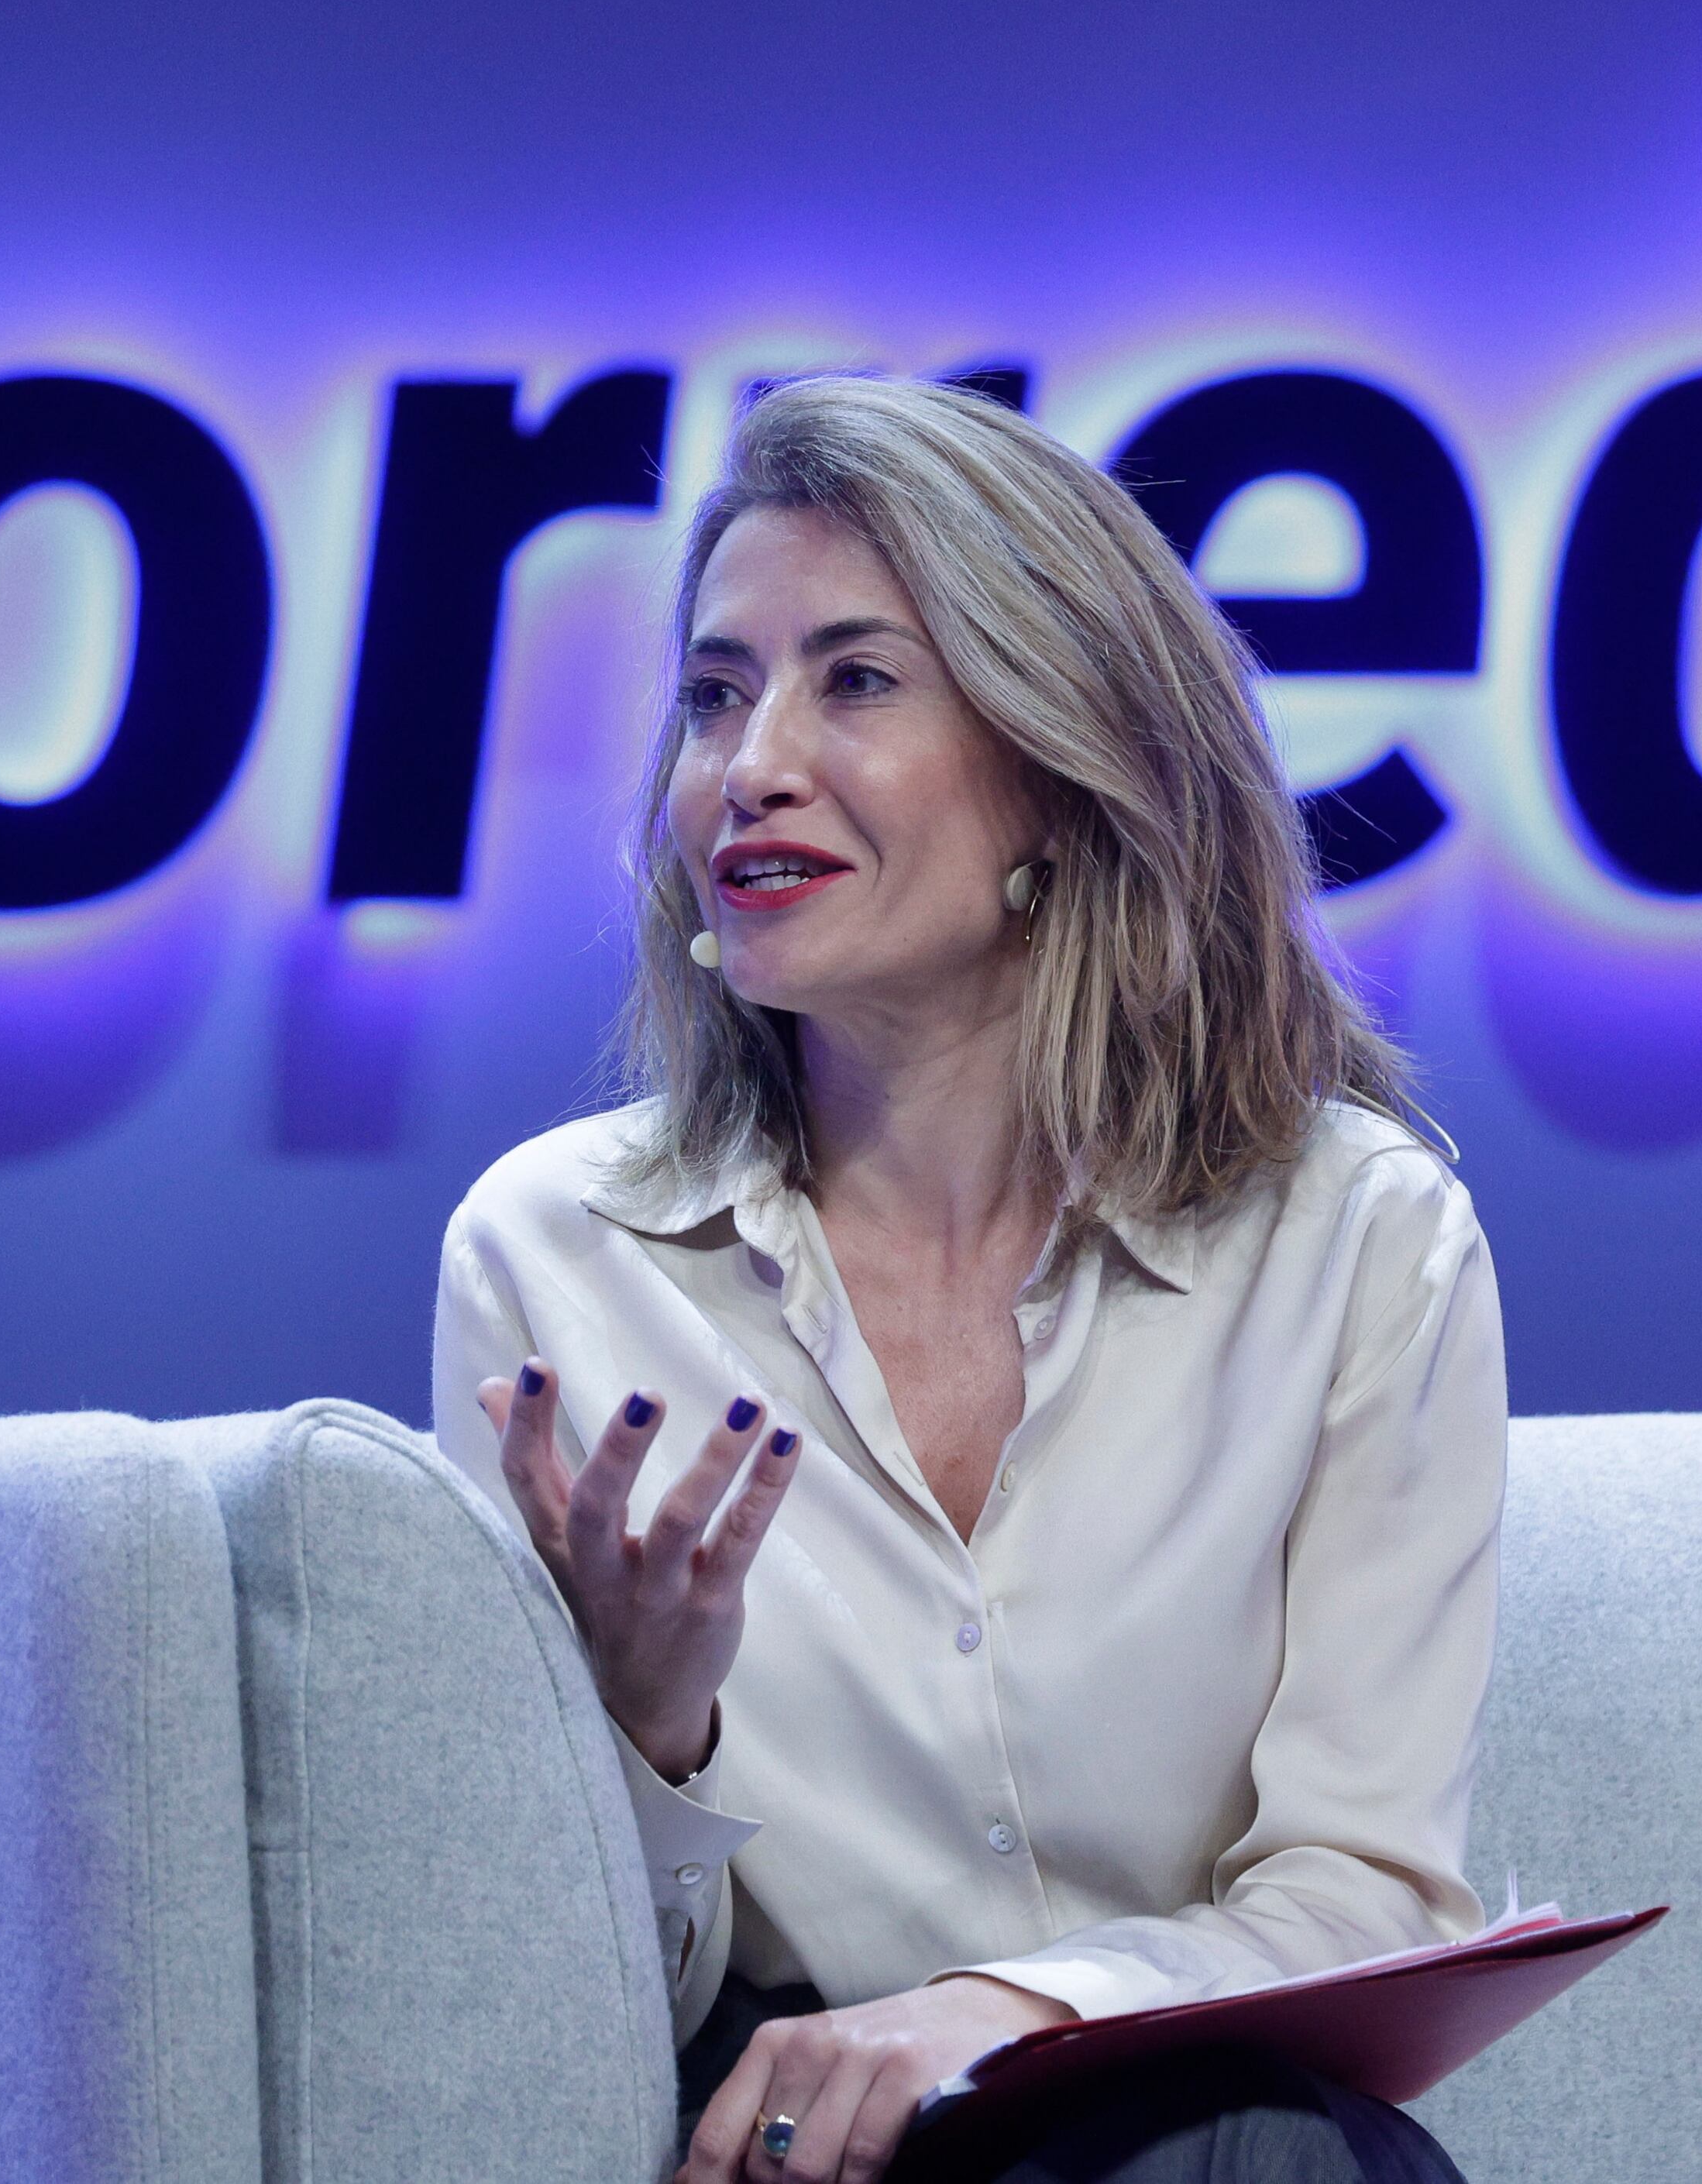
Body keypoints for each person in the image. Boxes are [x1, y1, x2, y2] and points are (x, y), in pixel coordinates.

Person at [432, 377, 1504, 2184]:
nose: (751, 761)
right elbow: (526, 2012)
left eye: (855, 678)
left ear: (1060, 762)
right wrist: (646, 1718)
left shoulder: (1352, 1236)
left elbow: (1366, 1899)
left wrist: (1015, 2004)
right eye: (713, 693)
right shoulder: (558, 1254)